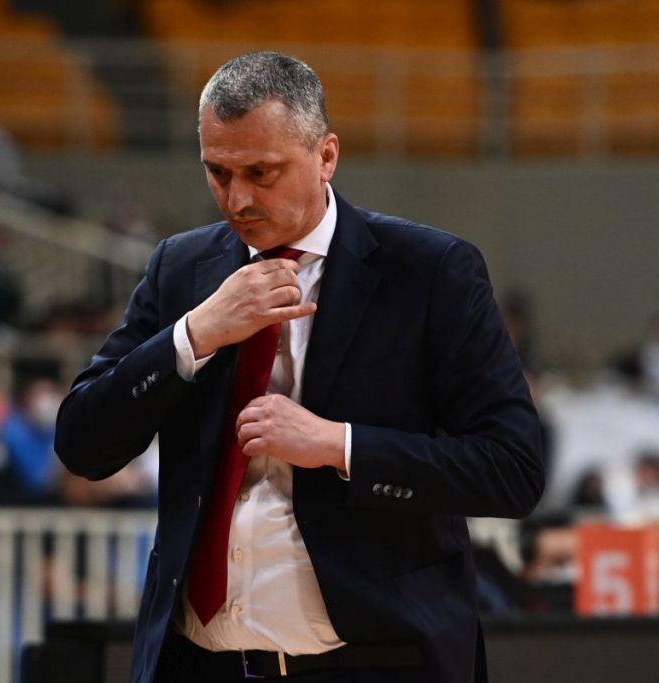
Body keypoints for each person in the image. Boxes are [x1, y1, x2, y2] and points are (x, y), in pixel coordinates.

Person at [55, 51, 544, 683]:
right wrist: (193, 335)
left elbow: (512, 469)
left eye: (261, 172)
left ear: (326, 156)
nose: (237, 198)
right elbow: (82, 443)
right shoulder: (180, 268)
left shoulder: (430, 271)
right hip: (198, 663)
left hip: (373, 664)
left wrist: (338, 445)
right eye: (217, 172)